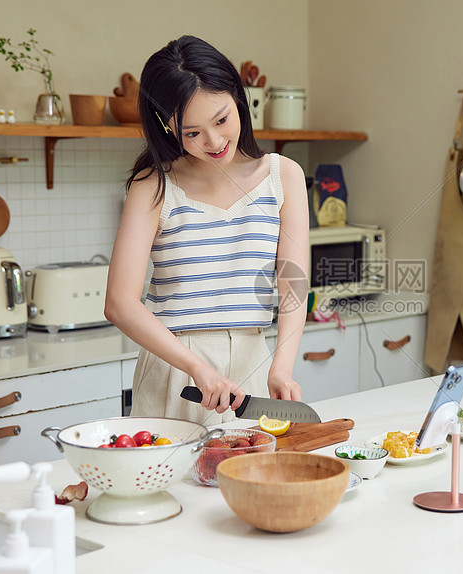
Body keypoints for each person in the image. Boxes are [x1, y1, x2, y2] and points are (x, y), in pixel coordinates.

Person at [105, 35, 309, 426]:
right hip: (178, 372)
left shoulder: (284, 176)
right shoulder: (154, 185)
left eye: (221, 120)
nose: (213, 142)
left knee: (255, 484)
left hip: (254, 365)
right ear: (168, 127)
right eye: (192, 132)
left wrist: (281, 367)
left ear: (238, 98)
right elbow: (119, 303)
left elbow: (292, 283)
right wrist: (197, 367)